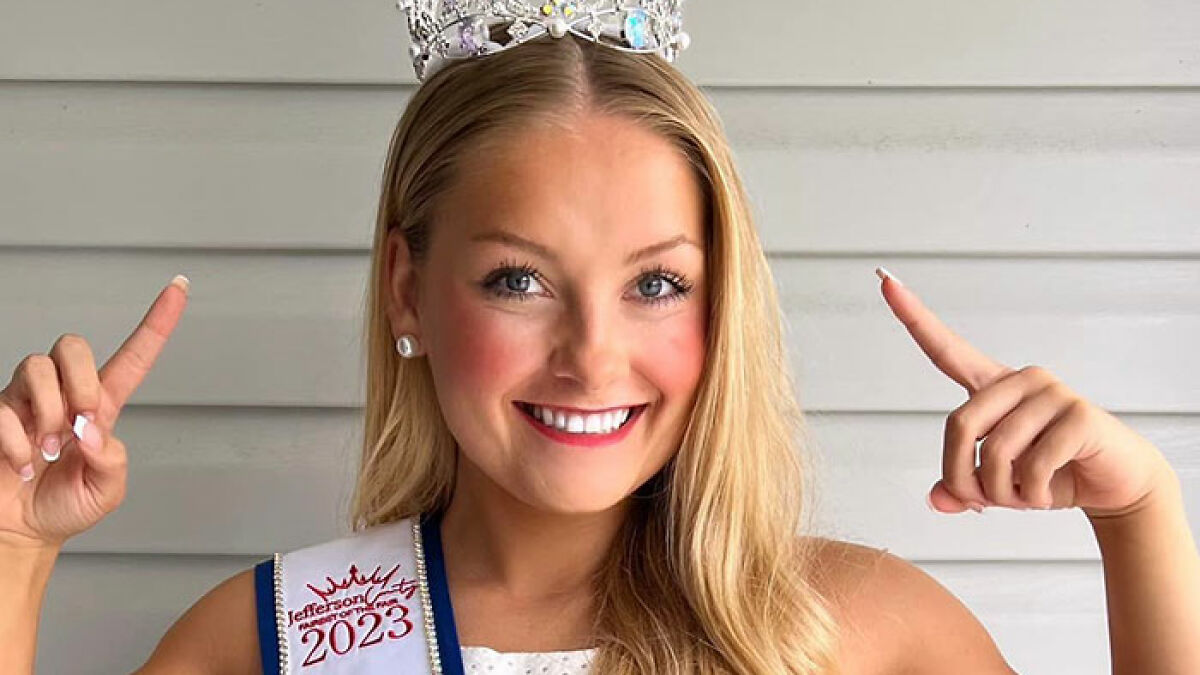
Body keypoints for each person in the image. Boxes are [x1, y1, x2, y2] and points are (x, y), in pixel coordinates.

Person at [3, 3, 1199, 674]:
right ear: (407, 290)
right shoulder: (260, 645)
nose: (593, 355)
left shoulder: (867, 636)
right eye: (520, 278)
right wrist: (14, 552)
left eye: (657, 285)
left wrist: (1136, 518)